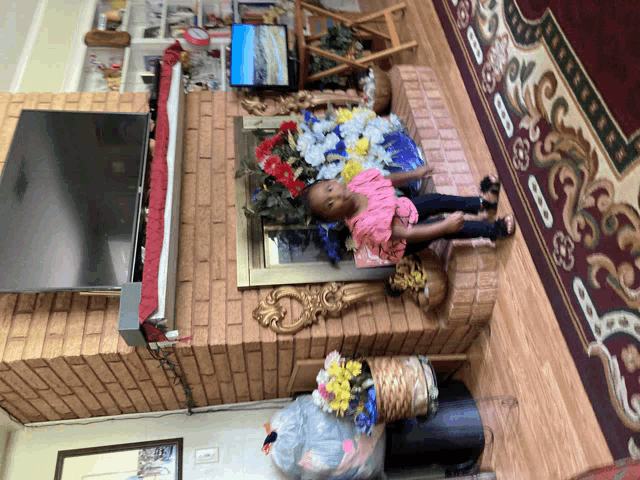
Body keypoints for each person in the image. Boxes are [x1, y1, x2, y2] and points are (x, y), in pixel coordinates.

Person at [304, 166, 516, 263]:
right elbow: (404, 234)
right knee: (444, 225)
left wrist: (414, 174)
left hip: (400, 209)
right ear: (334, 219)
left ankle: (483, 204)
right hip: (403, 241)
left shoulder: (358, 183)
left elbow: (385, 180)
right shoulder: (364, 226)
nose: (337, 195)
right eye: (330, 204)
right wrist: (442, 228)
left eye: (330, 189)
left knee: (436, 200)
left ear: (330, 181)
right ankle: (493, 230)